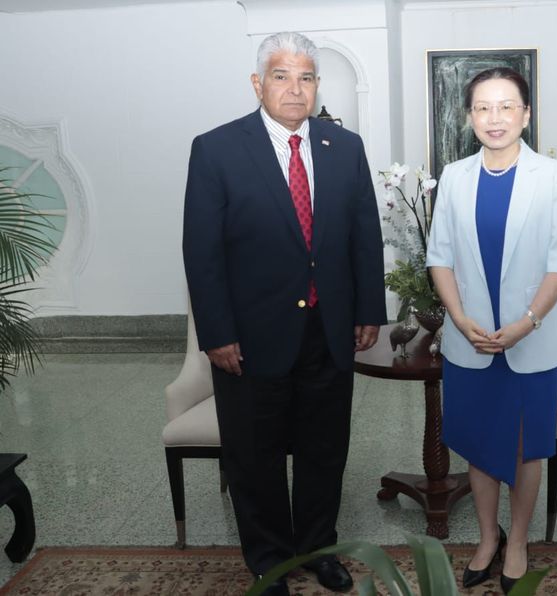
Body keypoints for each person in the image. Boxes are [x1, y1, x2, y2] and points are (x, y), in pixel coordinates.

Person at [182, 31, 386, 596]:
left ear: (317, 86)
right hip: (249, 339)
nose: (295, 89)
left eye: (306, 78)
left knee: (325, 451)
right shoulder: (217, 149)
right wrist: (216, 333)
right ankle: (269, 560)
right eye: (281, 76)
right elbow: (201, 253)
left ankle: (320, 549)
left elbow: (364, 237)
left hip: (329, 332)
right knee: (255, 458)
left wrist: (370, 308)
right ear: (258, 84)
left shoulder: (344, 148)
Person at [426, 67, 557, 595]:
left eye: (507, 107)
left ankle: (518, 543)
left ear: (526, 114)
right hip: (470, 338)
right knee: (481, 443)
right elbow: (439, 258)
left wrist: (525, 323)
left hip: (530, 337)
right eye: (483, 108)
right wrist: (460, 319)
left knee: (525, 446)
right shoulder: (454, 175)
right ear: (469, 117)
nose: (495, 118)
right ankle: (488, 538)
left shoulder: (553, 177)